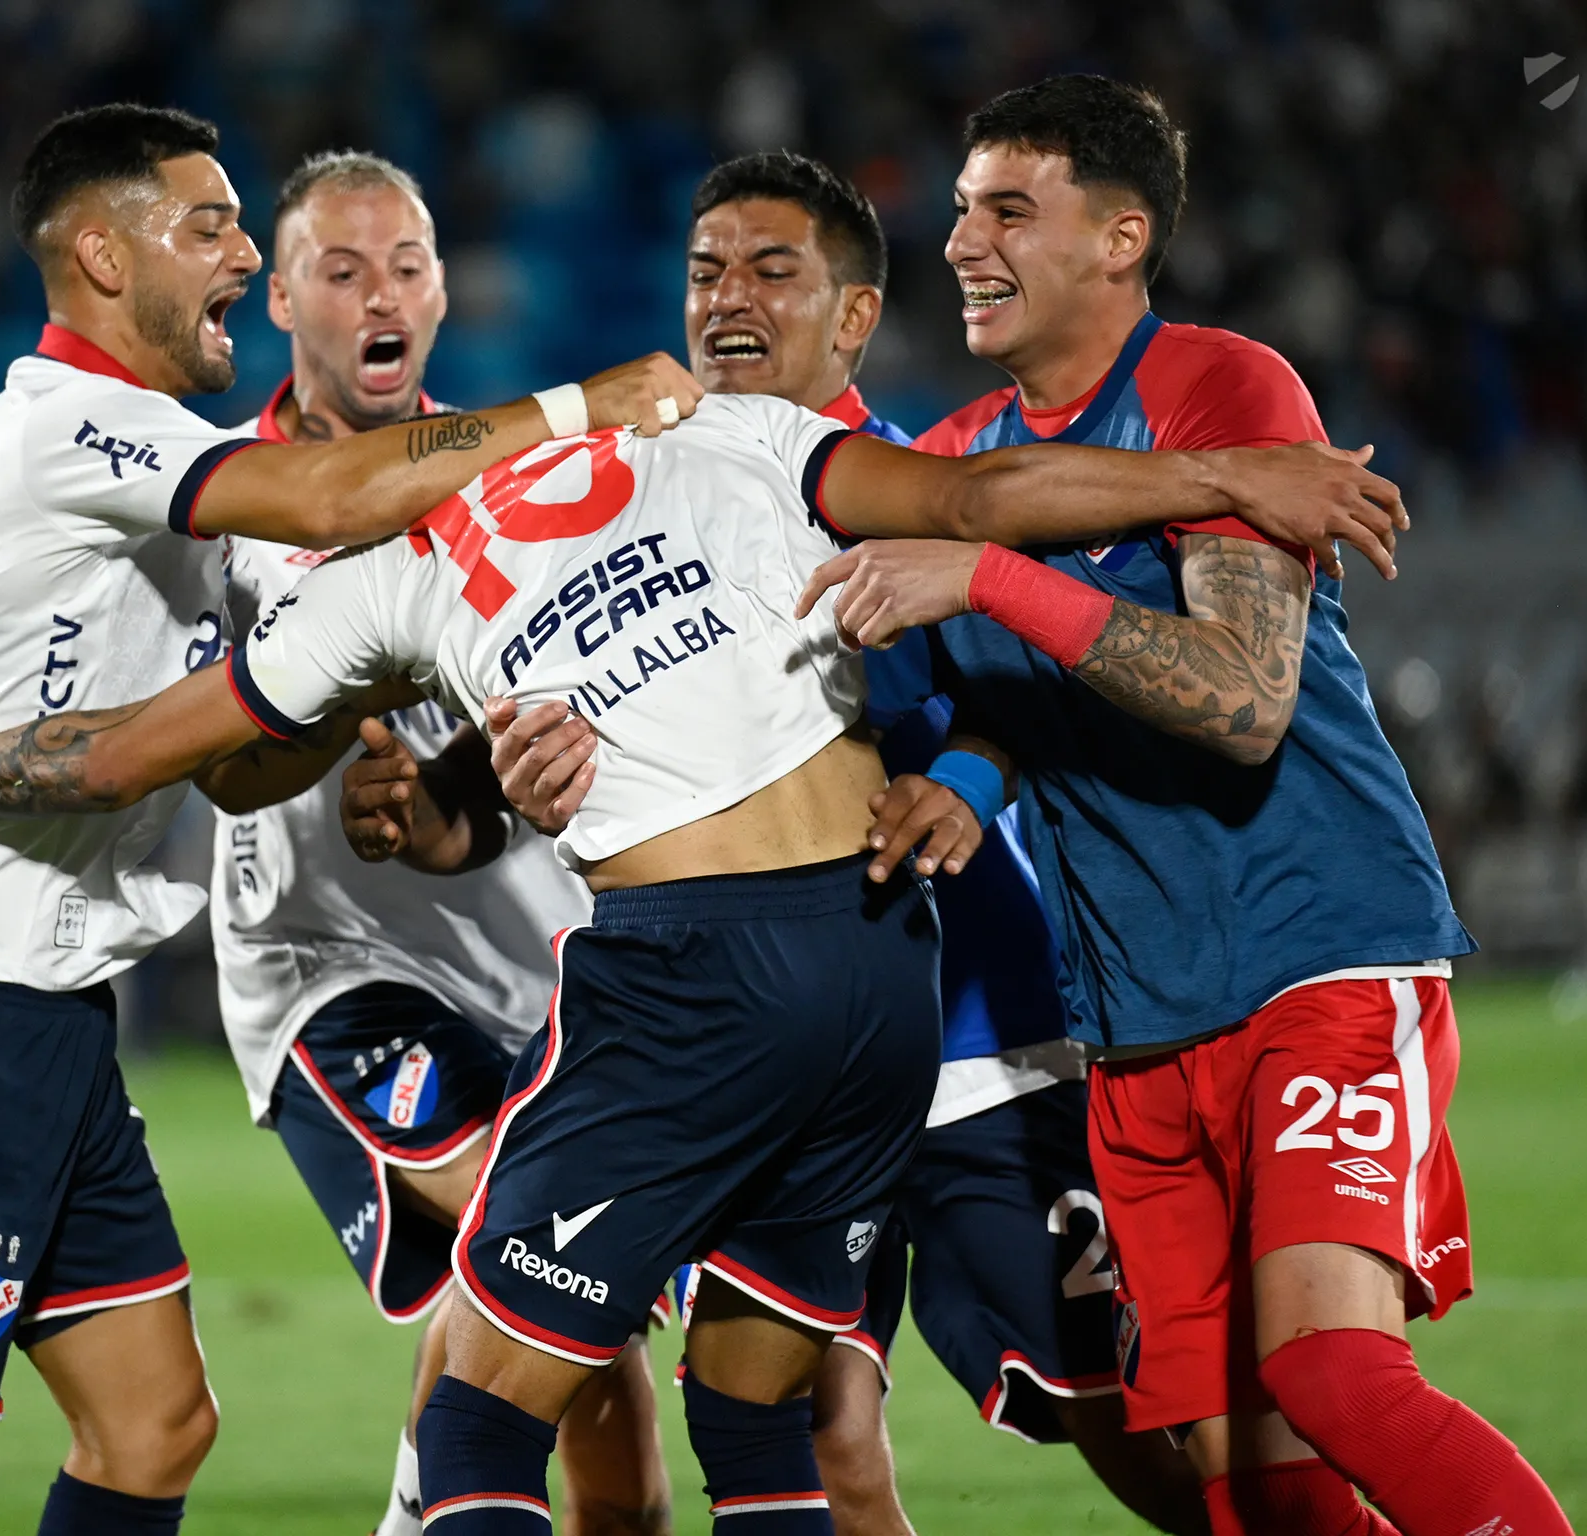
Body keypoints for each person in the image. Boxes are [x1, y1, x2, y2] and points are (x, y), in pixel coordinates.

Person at [0, 364, 1402, 1533]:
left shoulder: (377, 582)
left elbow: (133, 754)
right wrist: (1230, 475)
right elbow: (981, 499)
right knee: (758, 1417)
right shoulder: (722, 431)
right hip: (883, 968)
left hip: (695, 979)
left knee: (477, 1417)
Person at [0, 99, 696, 1536]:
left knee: (153, 1428)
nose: (237, 251)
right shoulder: (76, 422)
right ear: (103, 254)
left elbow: (230, 762)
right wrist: (585, 407)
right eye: (207, 225)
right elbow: (328, 500)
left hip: (55, 1009)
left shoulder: (135, 452)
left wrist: (362, 693)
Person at [795, 75, 1573, 1536]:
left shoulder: (1221, 388)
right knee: (1249, 1486)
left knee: (1336, 1376)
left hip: (1315, 958)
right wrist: (970, 771)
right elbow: (1014, 689)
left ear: (1121, 236)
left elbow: (1240, 698)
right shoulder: (959, 465)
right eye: (959, 209)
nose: (961, 242)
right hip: (1138, 1025)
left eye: (1008, 210)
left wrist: (990, 578)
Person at [400, 148, 1200, 1536]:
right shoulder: (631, 493)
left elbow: (1043, 658)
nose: (729, 300)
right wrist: (462, 801)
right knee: (811, 1429)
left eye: (772, 272)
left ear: (853, 314)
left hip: (969, 1027)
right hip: (753, 1026)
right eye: (705, 271)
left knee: (1110, 1404)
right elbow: (523, 778)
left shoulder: (918, 482)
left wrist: (967, 772)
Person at [210, 149, 666, 1536]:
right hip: (332, 965)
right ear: (280, 297)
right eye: (341, 270)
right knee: (539, 1239)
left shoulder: (522, 476)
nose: (380, 295)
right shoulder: (222, 503)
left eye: (405, 267)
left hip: (537, 961)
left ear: (444, 291)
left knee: (611, 1424)